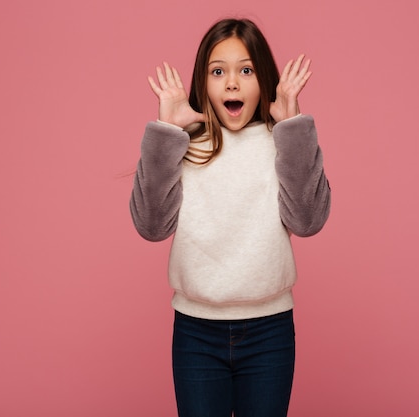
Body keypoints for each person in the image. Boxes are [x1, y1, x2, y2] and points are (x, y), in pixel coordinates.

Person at [130, 17, 331, 417]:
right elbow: (151, 227)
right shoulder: (183, 146)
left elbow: (308, 221)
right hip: (196, 331)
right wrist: (166, 132)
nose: (232, 83)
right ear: (202, 82)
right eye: (218, 71)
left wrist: (292, 127)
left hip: (270, 330)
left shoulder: (283, 143)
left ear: (264, 80)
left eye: (246, 70)